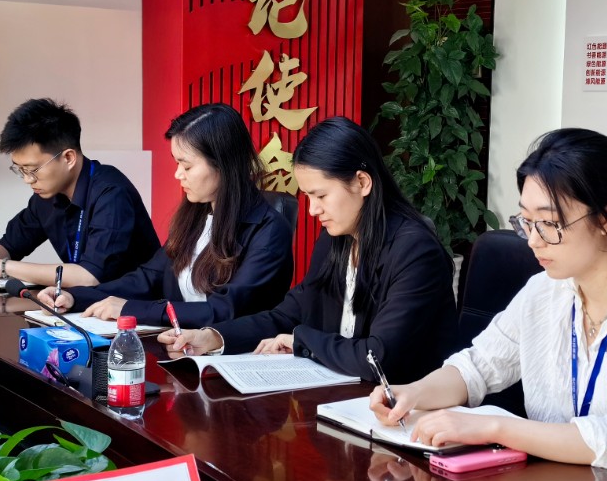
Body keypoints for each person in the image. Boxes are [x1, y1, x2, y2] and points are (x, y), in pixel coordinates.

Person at [369, 128, 607, 473]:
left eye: (549, 223)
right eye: (527, 222)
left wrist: (495, 428)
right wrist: (413, 393)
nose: (533, 240)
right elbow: (478, 366)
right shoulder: (544, 290)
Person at [165, 117, 455, 381]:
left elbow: (378, 357)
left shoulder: (415, 251)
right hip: (342, 396)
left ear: (362, 182)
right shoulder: (336, 238)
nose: (313, 210)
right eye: (307, 197)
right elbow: (288, 314)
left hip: (404, 407)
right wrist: (213, 337)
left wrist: (303, 341)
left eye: (321, 196)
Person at [36, 103, 293, 329]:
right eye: (177, 163)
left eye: (187, 166)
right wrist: (76, 297)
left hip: (233, 356)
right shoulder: (197, 214)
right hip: (181, 345)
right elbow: (148, 277)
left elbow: (225, 310)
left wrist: (130, 309)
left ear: (224, 165)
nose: (178, 174)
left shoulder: (269, 230)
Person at [0, 98, 159, 287]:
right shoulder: (46, 195)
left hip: (136, 305)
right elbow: (10, 245)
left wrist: (3, 267)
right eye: (20, 169)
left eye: (32, 169)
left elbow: (90, 276)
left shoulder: (111, 193)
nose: (28, 179)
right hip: (87, 303)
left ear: (68, 158)